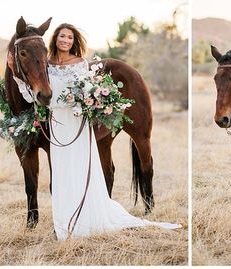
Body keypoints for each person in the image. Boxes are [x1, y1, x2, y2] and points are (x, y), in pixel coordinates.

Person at [14, 23, 181, 239]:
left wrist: (88, 102)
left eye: (70, 38)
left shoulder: (81, 64)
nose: (65, 40)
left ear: (74, 42)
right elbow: (34, 96)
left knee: (81, 169)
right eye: (62, 36)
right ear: (55, 39)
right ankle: (64, 222)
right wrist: (17, 78)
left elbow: (88, 93)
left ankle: (88, 218)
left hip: (76, 123)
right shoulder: (47, 66)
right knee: (63, 173)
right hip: (57, 125)